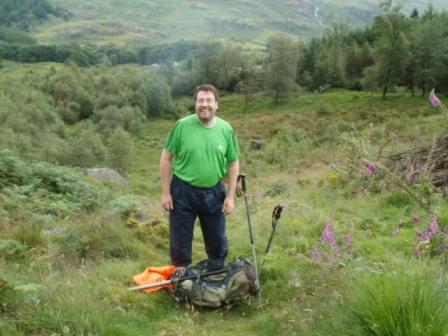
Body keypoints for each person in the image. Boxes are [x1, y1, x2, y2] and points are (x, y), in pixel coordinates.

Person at [160, 84, 240, 270]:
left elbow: (233, 162)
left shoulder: (226, 130)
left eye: (209, 100)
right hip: (182, 191)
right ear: (195, 104)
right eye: (201, 100)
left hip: (214, 192)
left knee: (217, 240)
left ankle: (217, 273)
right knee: (179, 242)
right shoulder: (181, 126)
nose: (205, 104)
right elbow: (166, 158)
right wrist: (165, 193)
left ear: (217, 105)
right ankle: (182, 281)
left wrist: (230, 196)